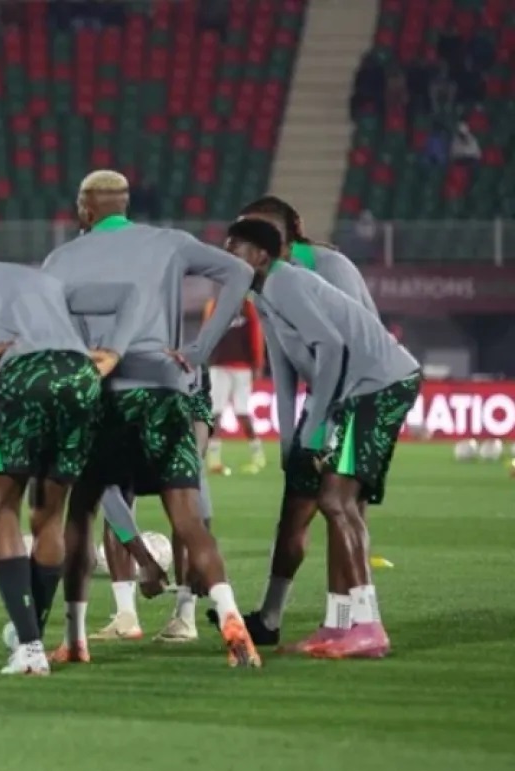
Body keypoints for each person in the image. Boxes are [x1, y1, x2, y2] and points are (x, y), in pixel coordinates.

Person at [42, 170, 261, 666]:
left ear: (84, 210)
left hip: (102, 395)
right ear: (125, 205)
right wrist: (200, 348)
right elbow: (239, 274)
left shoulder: (60, 259)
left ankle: (75, 639)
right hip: (164, 391)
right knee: (187, 516)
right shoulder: (169, 243)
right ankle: (230, 616)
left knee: (81, 514)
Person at [0, 234, 144, 675]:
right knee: (50, 514)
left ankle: (30, 648)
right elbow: (130, 294)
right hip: (78, 374)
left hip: (23, 372)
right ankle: (30, 634)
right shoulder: (44, 281)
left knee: (4, 509)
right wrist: (114, 352)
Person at [225, 218, 419, 659]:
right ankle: (338, 626)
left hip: (378, 386)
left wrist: (315, 424)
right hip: (361, 390)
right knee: (337, 502)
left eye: (234, 251)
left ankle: (368, 627)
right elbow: (296, 363)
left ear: (261, 255)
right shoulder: (266, 291)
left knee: (337, 501)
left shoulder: (283, 282)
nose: (227, 260)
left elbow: (330, 347)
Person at [203, 294, 265, 474]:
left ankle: (257, 454)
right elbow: (206, 333)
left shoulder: (247, 307)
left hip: (241, 366)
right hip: (219, 365)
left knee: (241, 412)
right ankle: (214, 460)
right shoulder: (215, 304)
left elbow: (255, 334)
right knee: (216, 412)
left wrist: (257, 364)